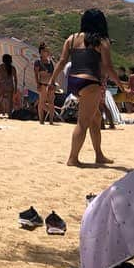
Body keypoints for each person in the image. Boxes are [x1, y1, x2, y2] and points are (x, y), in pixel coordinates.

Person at [47, 9, 126, 167]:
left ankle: (99, 155)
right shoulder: (102, 41)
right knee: (83, 123)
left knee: (96, 117)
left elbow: (62, 62)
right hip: (91, 83)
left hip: (74, 82)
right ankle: (73, 158)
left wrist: (51, 81)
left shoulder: (72, 38)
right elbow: (109, 67)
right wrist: (122, 87)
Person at [35, 43, 56, 125]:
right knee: (42, 103)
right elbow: (36, 74)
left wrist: (53, 84)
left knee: (51, 102)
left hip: (50, 83)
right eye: (44, 51)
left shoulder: (50, 62)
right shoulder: (38, 62)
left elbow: (52, 74)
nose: (46, 52)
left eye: (47, 51)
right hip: (42, 83)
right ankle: (42, 120)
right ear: (40, 52)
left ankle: (51, 120)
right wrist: (37, 84)